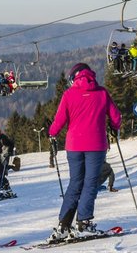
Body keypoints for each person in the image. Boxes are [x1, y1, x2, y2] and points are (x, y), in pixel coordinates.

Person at [47, 62, 122, 242]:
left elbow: (59, 120)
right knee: (90, 184)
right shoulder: (102, 93)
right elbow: (116, 117)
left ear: (74, 77)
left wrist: (52, 134)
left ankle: (64, 225)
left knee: (75, 183)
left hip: (74, 146)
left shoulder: (69, 94)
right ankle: (84, 224)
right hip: (96, 145)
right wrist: (114, 127)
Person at [0, 127, 17, 200]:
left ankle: (3, 193)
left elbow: (9, 147)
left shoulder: (2, 139)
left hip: (1, 161)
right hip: (0, 161)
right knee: (1, 177)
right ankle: (8, 192)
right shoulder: (0, 139)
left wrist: (7, 154)